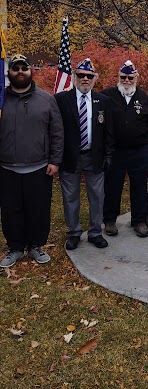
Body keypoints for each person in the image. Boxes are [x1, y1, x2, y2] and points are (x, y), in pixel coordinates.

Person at [0, 54, 64, 268]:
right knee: (11, 210)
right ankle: (15, 247)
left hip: (39, 167)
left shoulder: (46, 99)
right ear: (9, 72)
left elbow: (57, 132)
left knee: (38, 208)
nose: (20, 72)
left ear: (31, 71)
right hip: (7, 167)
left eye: (23, 68)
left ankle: (36, 246)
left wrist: (55, 160)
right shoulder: (1, 100)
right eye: (15, 68)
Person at [55, 58, 114, 250]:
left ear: (94, 79)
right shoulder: (61, 100)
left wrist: (109, 154)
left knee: (97, 196)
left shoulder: (103, 101)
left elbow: (109, 131)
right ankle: (73, 233)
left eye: (89, 76)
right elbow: (55, 130)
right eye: (81, 75)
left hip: (94, 156)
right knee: (70, 197)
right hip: (70, 157)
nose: (85, 79)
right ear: (74, 77)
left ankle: (95, 232)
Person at [101, 60, 148, 237]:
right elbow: (90, 101)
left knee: (139, 187)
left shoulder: (143, 98)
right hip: (115, 151)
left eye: (130, 77)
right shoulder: (107, 96)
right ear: (118, 77)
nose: (126, 80)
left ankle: (139, 221)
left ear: (136, 78)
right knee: (112, 186)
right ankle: (110, 220)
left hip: (139, 151)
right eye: (123, 77)